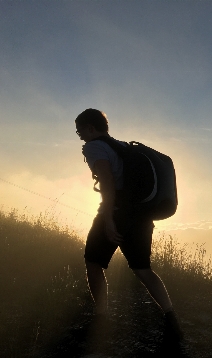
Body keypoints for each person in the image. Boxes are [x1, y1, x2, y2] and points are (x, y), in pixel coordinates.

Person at [75, 108, 182, 340]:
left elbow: (107, 180)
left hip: (118, 213)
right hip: (142, 216)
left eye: (80, 130)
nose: (79, 135)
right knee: (143, 268)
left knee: (93, 262)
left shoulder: (94, 147)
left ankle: (101, 316)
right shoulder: (122, 146)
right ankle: (170, 316)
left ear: (91, 128)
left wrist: (109, 219)